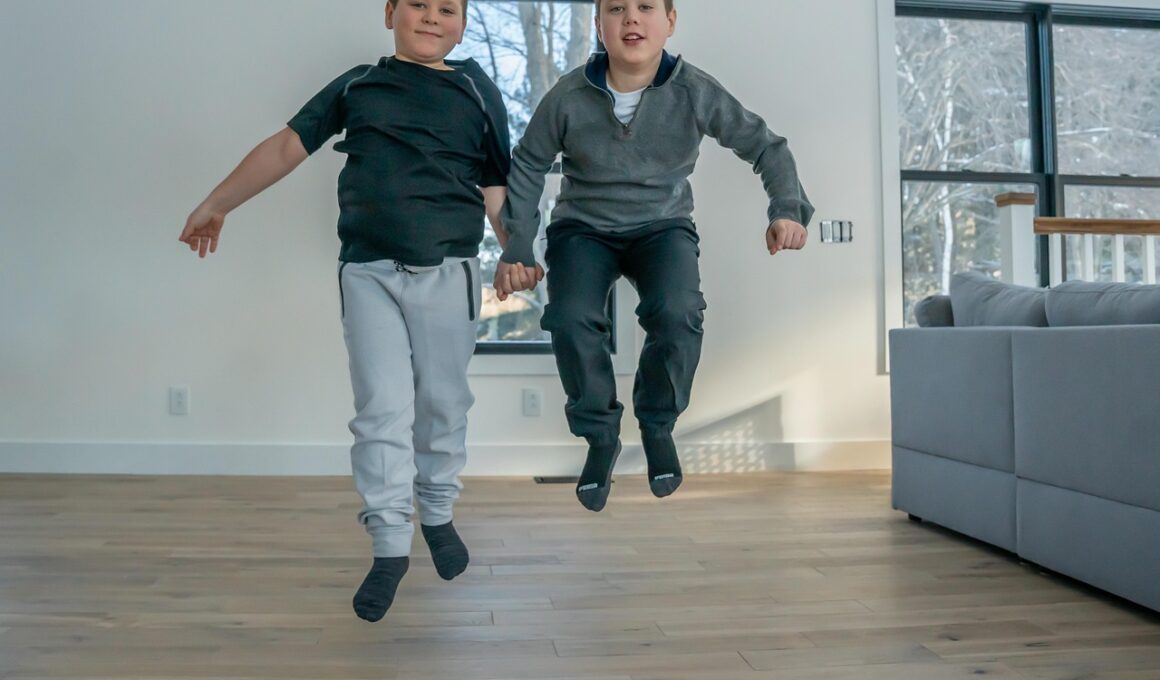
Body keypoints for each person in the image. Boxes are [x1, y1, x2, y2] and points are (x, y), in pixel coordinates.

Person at [178, 0, 523, 622]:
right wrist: (217, 202)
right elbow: (286, 148)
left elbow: (496, 184)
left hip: (448, 271)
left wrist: (515, 251)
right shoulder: (358, 85)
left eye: (447, 8)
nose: (431, 17)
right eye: (417, 4)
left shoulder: (476, 89)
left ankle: (436, 512)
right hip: (368, 273)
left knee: (442, 402)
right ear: (390, 11)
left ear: (464, 23)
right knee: (380, 410)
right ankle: (389, 544)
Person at [494, 0, 813, 512]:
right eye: (616, 9)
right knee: (571, 317)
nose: (631, 19)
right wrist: (518, 244)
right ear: (599, 25)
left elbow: (766, 146)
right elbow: (529, 163)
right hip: (583, 229)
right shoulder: (569, 95)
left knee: (678, 312)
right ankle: (601, 436)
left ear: (670, 22)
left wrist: (787, 210)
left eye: (645, 6)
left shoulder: (694, 90)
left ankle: (657, 424)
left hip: (661, 227)